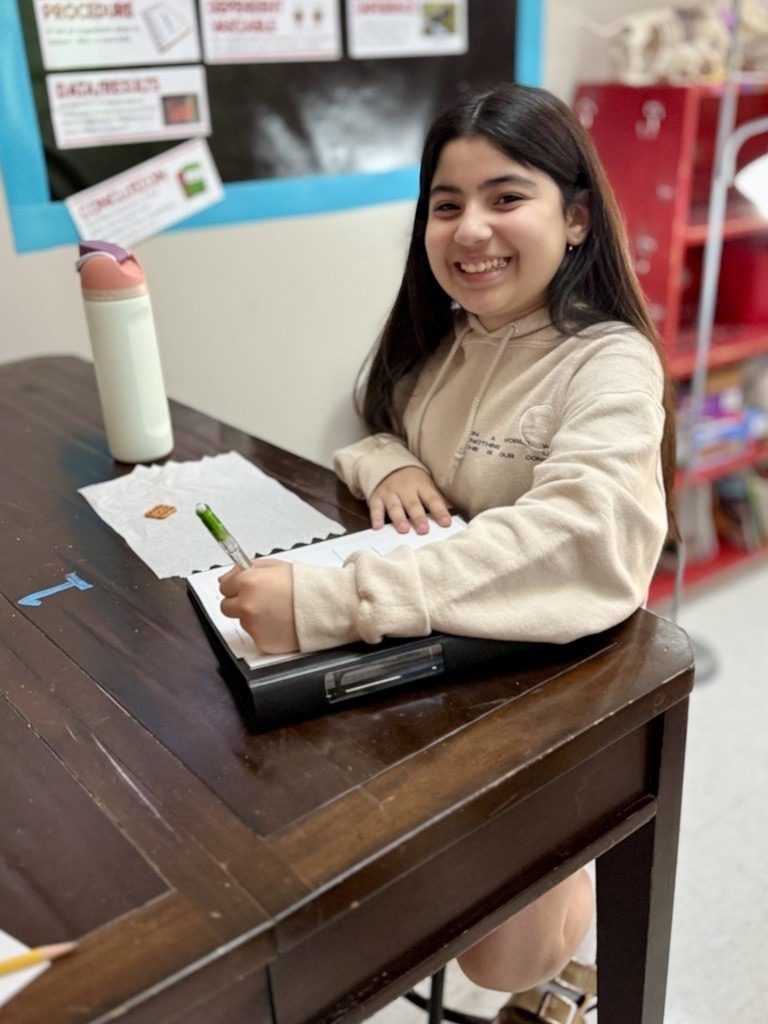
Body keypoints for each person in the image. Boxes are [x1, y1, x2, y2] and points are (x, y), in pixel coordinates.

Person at [219, 82, 678, 1009]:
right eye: (446, 204)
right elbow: (383, 421)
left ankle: (582, 908)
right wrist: (387, 462)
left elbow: (579, 535)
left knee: (501, 963)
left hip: (549, 680)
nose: (471, 230)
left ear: (576, 218)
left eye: (507, 197)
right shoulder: (449, 342)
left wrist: (332, 600)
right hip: (442, 660)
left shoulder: (610, 362)